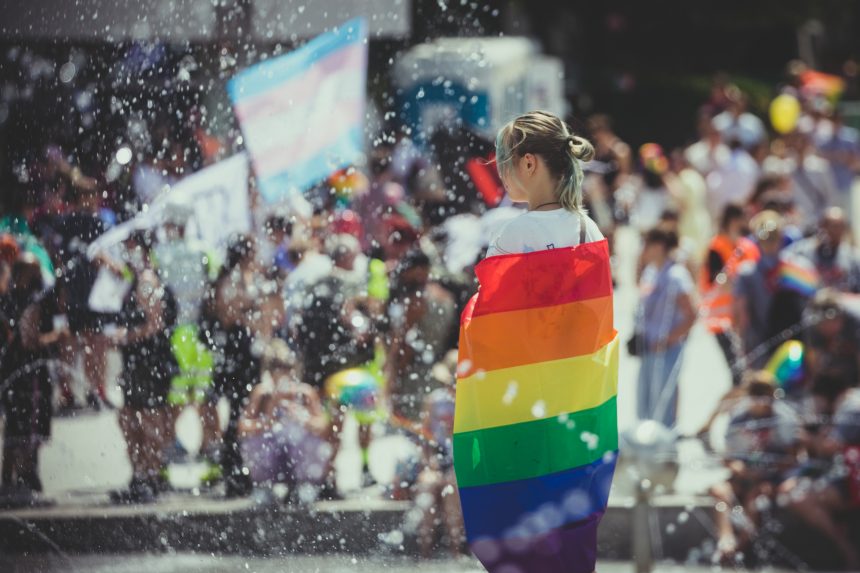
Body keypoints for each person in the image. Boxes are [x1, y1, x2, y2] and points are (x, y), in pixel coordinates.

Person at [468, 110, 612, 573]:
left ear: (528, 164)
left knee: (522, 540)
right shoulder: (590, 231)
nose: (500, 172)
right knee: (568, 540)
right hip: (574, 409)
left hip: (523, 411)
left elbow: (492, 330)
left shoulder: (514, 234)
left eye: (503, 162)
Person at [109, 232, 178, 503]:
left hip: (150, 363)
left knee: (146, 422)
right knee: (131, 420)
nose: (127, 254)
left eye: (131, 248)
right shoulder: (137, 280)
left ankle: (148, 476)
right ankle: (141, 476)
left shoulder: (147, 281)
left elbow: (155, 323)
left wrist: (126, 337)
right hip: (141, 363)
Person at [199, 234, 262, 498]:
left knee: (240, 412)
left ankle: (238, 469)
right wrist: (250, 314)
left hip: (242, 351)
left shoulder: (240, 277)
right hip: (238, 353)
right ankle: (233, 470)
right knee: (238, 412)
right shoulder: (234, 279)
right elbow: (227, 316)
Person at [0, 255, 64, 506]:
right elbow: (30, 340)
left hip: (12, 372)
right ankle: (22, 478)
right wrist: (56, 336)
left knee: (17, 426)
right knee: (28, 426)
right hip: (30, 375)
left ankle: (10, 479)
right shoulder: (32, 301)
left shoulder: (8, 300)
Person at [634, 226, 696, 428]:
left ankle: (666, 446)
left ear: (659, 246)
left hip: (666, 350)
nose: (644, 249)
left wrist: (668, 339)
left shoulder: (676, 275)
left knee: (664, 404)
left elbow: (691, 314)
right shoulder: (651, 272)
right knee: (645, 401)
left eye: (647, 244)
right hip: (648, 349)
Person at [788, 207, 860, 293]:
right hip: (809, 302)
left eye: (837, 227)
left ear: (843, 229)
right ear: (820, 225)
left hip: (842, 303)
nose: (832, 230)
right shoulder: (801, 251)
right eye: (828, 225)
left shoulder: (853, 257)